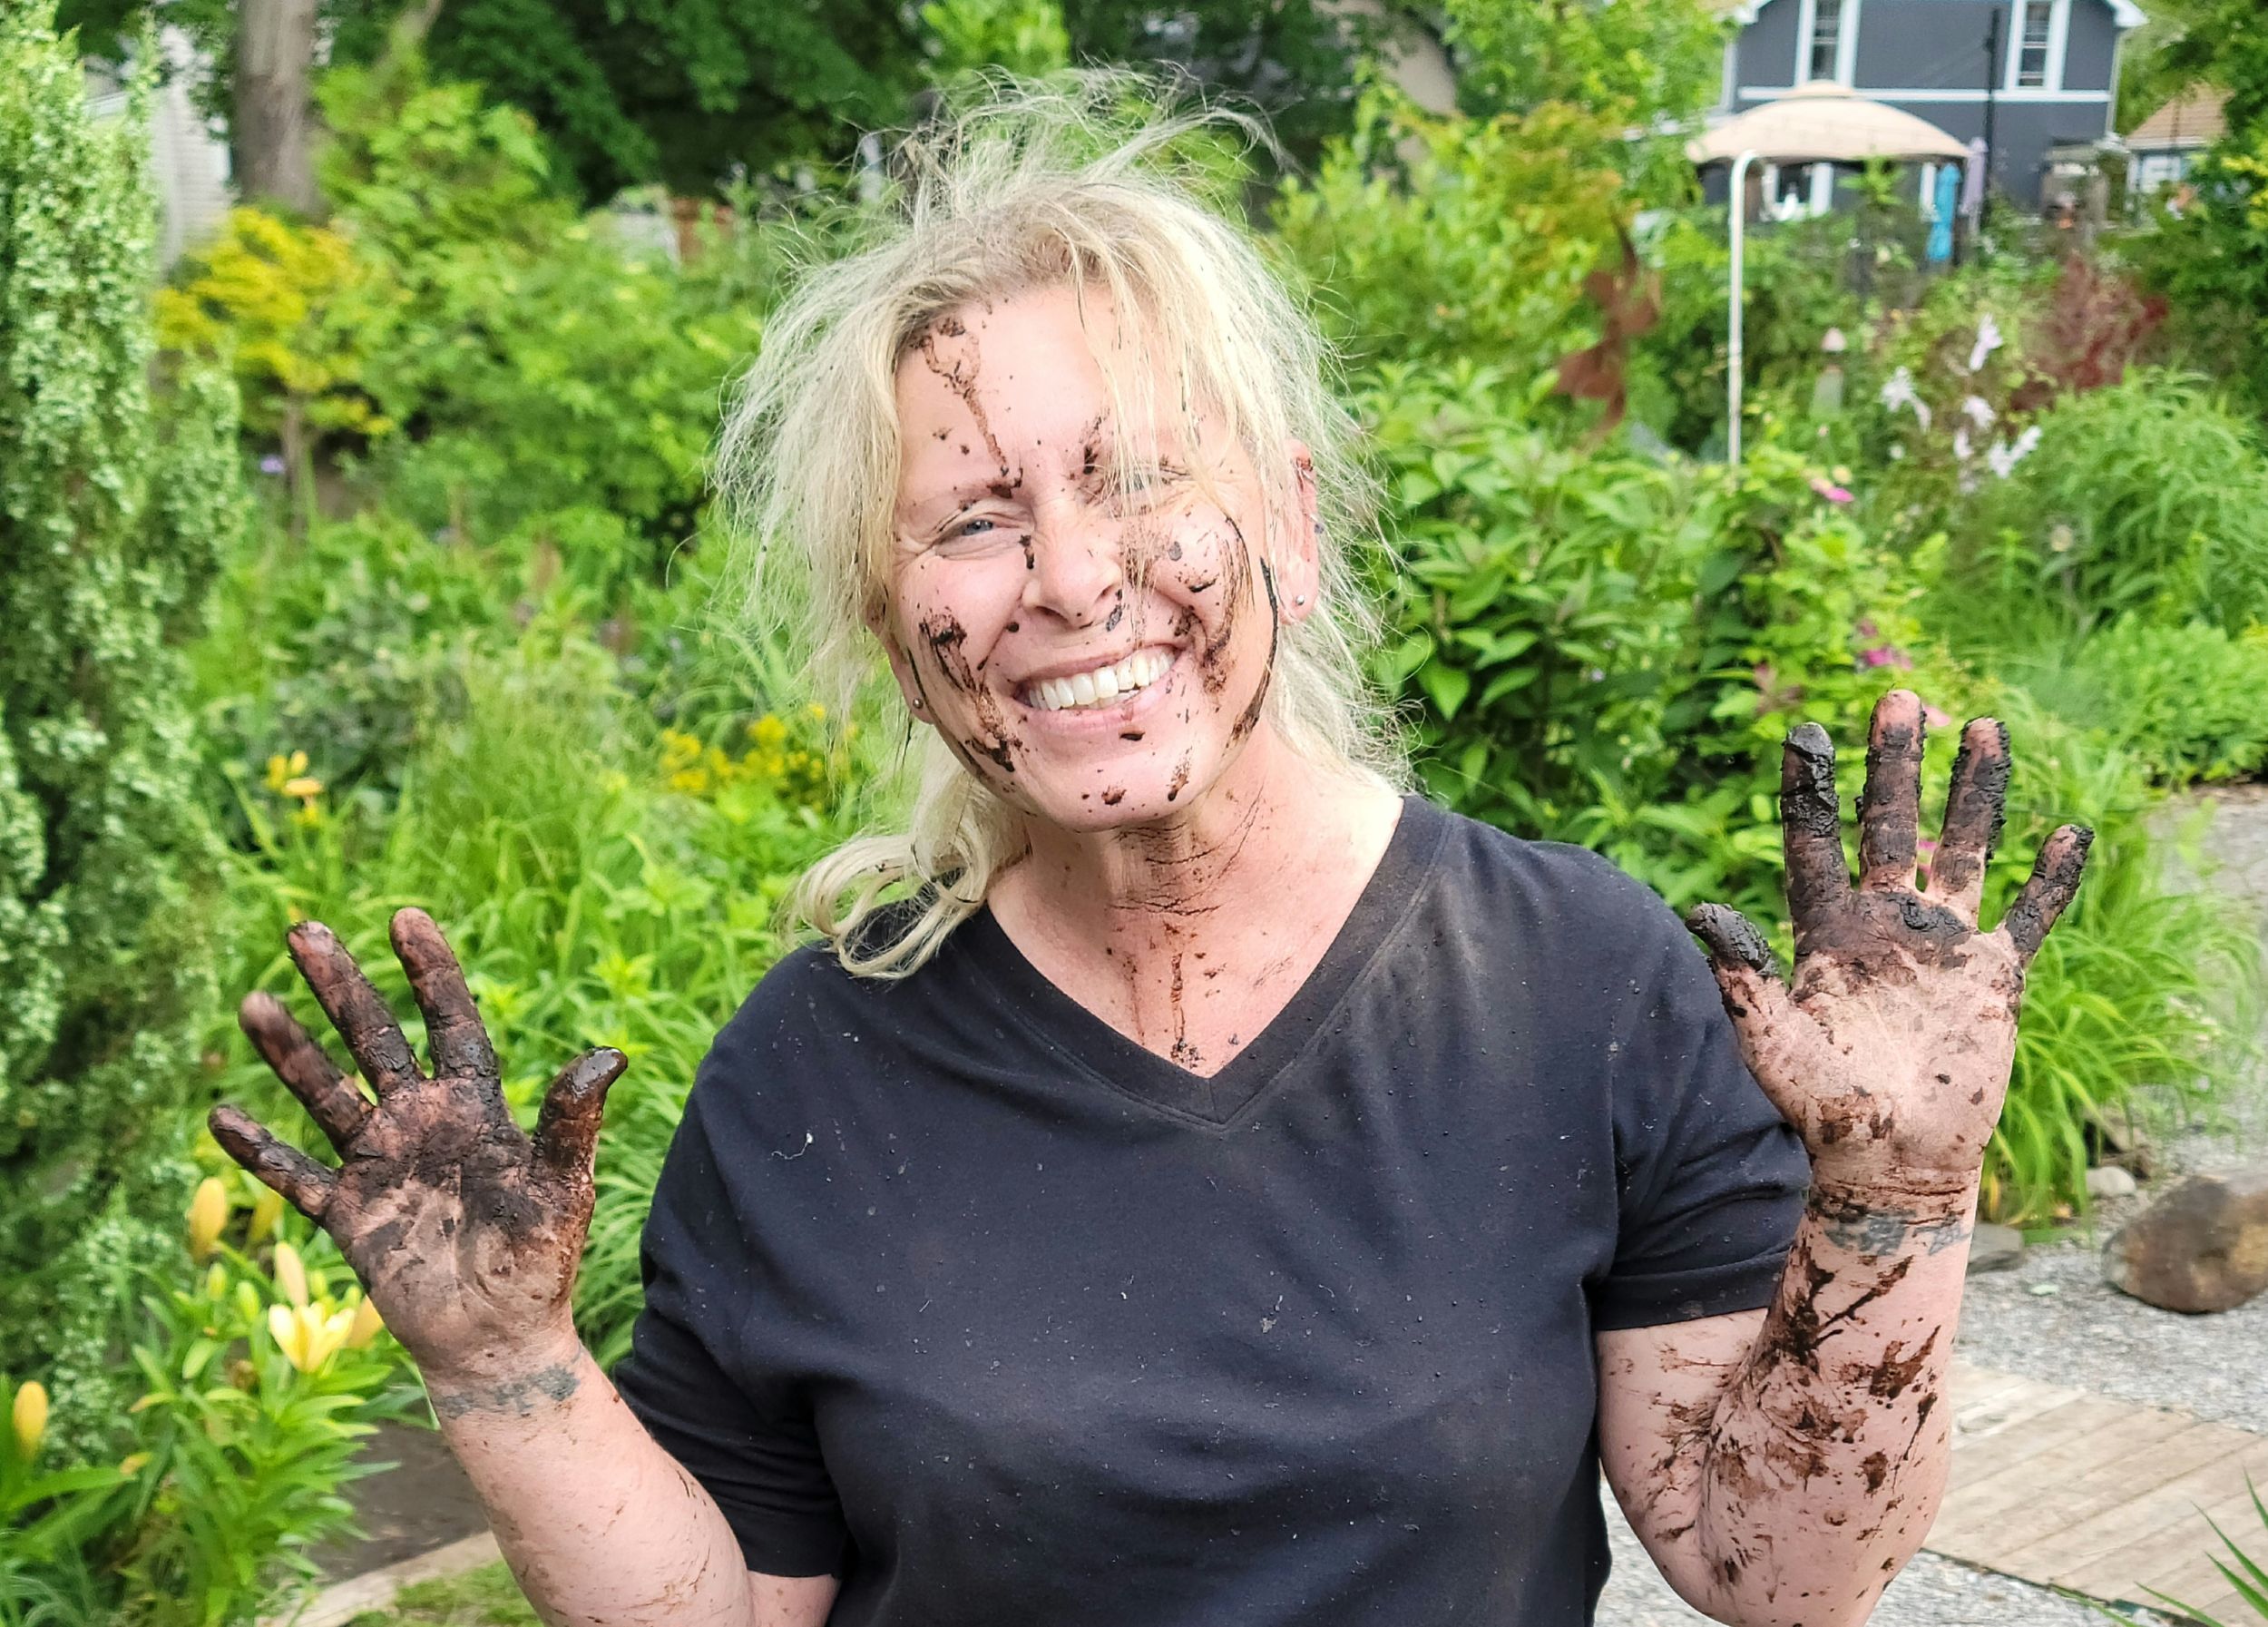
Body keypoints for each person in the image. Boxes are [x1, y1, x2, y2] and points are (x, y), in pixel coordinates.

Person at [211, 87, 2092, 1627]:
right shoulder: (811, 1073)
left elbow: (1777, 1573)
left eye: (1131, 477)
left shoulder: (1574, 985)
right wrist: (504, 1368)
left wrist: (1898, 1195)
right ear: (893, 625)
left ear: (1289, 520)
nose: (1065, 577)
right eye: (969, 518)